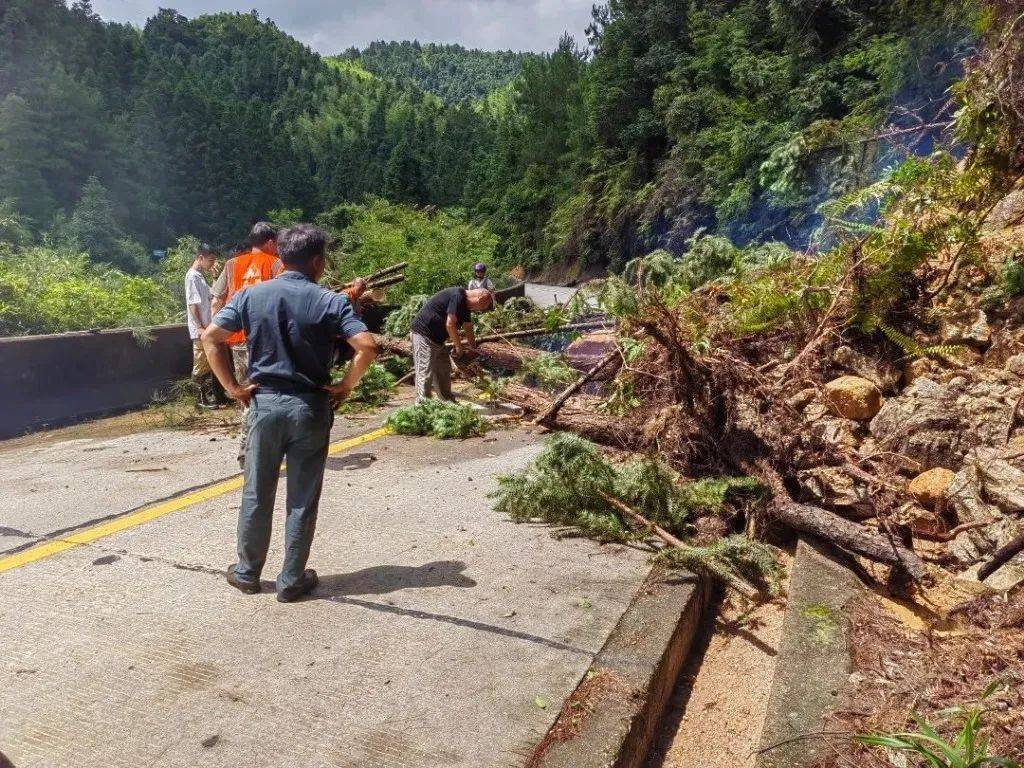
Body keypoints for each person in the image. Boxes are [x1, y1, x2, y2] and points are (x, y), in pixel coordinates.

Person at [202, 224, 377, 602]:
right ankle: (292, 579)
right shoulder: (332, 301)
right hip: (311, 407)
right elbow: (366, 346)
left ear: (281, 258)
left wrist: (233, 388)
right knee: (302, 496)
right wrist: (346, 385)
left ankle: (248, 573)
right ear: (318, 261)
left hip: (264, 406)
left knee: (256, 491)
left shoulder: (250, 295)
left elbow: (210, 337)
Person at [211, 222, 283, 466]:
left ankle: (251, 447)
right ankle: (250, 450)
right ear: (270, 242)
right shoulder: (276, 264)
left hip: (236, 339)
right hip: (264, 340)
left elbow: (215, 300)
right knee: (264, 394)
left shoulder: (231, 265)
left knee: (245, 392)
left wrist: (218, 331)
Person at [410, 287, 493, 402]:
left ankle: (448, 401)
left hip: (438, 340)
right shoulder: (457, 295)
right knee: (425, 372)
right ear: (480, 299)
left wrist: (473, 348)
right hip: (423, 335)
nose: (478, 310)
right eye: (481, 307)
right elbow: (450, 324)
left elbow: (468, 328)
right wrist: (459, 347)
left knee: (444, 369)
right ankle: (422, 406)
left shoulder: (466, 307)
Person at [185, 243, 218, 409]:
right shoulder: (192, 276)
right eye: (210, 260)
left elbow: (211, 296)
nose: (212, 264)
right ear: (200, 258)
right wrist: (199, 326)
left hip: (206, 327)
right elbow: (192, 304)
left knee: (206, 361)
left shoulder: (199, 276)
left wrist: (213, 277)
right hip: (201, 328)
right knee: (200, 362)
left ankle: (205, 397)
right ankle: (199, 399)